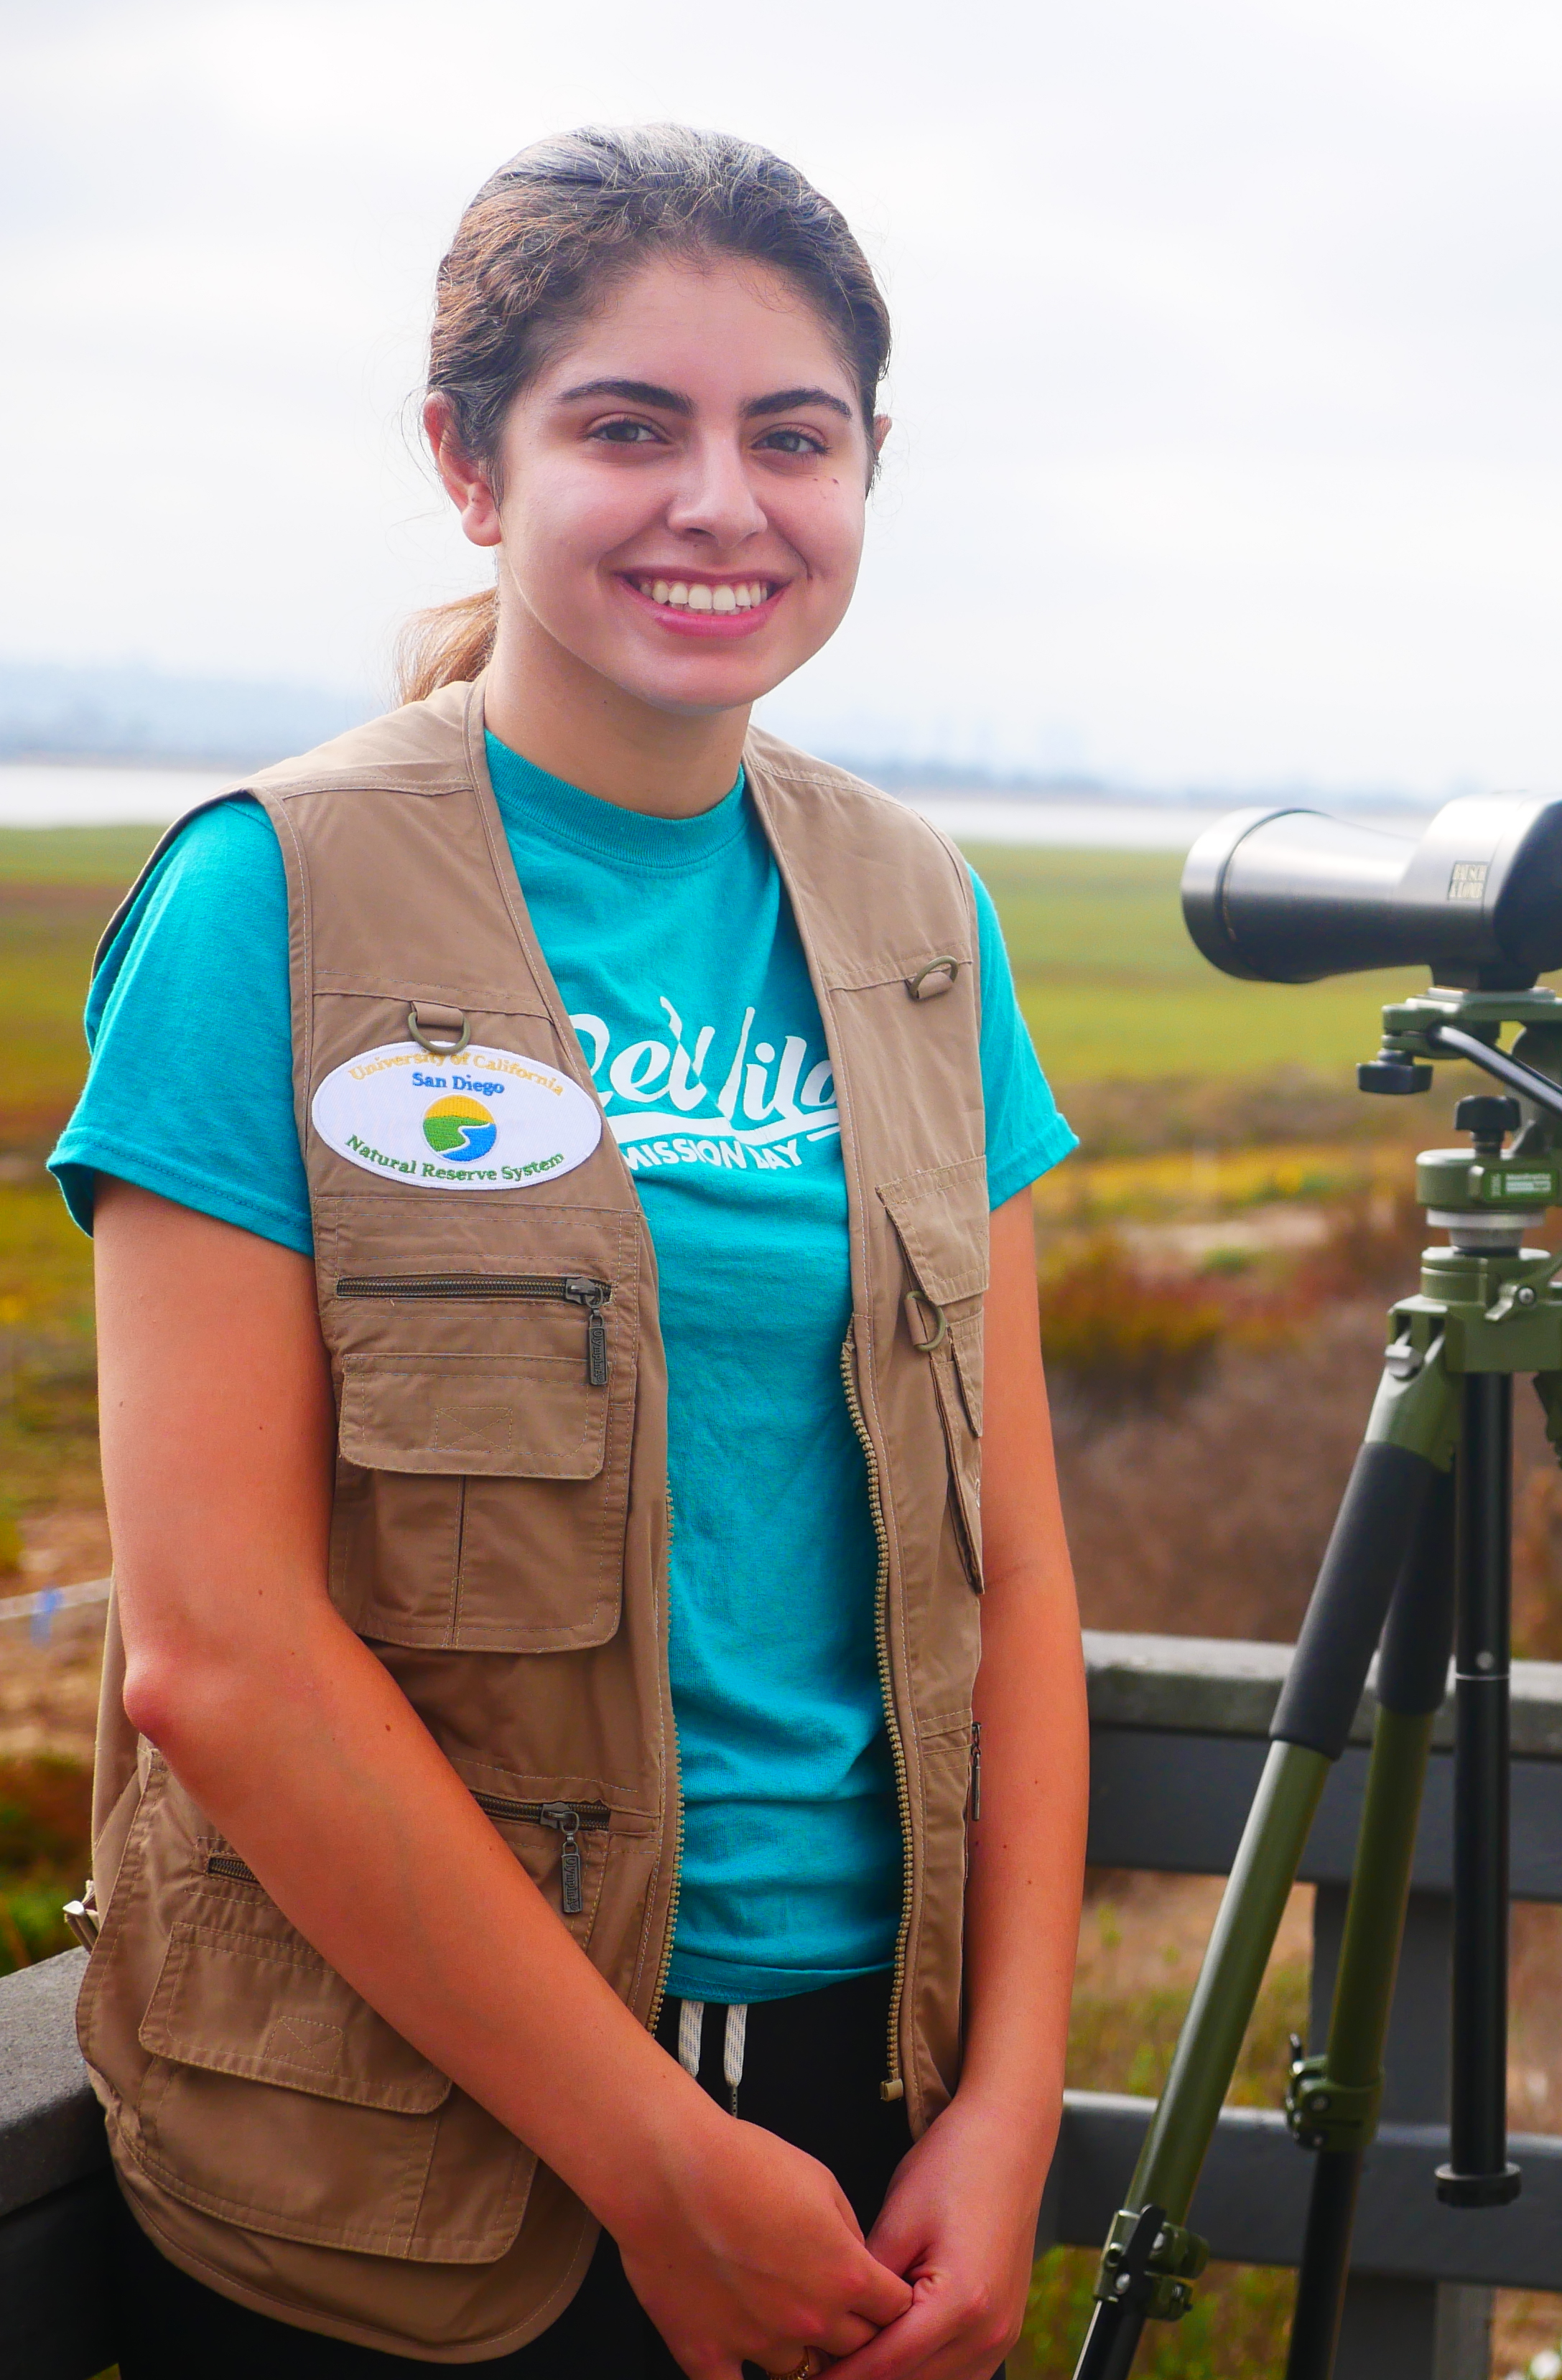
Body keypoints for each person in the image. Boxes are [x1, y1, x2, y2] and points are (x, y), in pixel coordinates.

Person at [57, 126, 1089, 2380]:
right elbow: (214, 1650)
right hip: (409, 2165)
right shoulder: (270, 903)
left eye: (791, 437)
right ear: (468, 459)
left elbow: (1013, 1574)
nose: (722, 502)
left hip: (866, 2107)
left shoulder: (921, 913)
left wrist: (1011, 2110)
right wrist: (650, 2151)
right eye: (629, 426)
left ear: (866, 470)